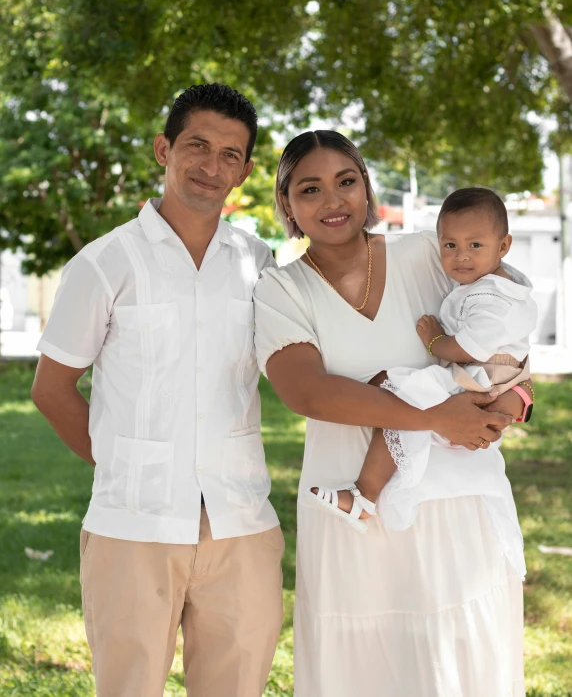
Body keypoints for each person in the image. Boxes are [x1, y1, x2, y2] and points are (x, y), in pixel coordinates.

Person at [253, 130, 533, 696]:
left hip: (454, 506)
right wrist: (436, 417)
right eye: (311, 188)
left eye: (347, 182)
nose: (333, 201)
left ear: (366, 188)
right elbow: (309, 393)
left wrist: (508, 402)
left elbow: (505, 332)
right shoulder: (281, 291)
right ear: (287, 203)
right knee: (363, 671)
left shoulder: (429, 254)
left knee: (453, 666)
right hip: (351, 511)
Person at [31, 83, 284, 697]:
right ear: (162, 149)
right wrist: (122, 462)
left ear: (245, 171)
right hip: (132, 527)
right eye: (197, 145)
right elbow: (52, 388)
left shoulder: (261, 263)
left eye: (230, 154)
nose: (211, 165)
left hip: (241, 521)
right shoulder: (104, 263)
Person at [309, 188, 536, 573]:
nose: (461, 255)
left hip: (485, 379)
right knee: (401, 400)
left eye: (475, 244)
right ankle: (376, 491)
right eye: (450, 244)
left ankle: (364, 496)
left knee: (399, 402)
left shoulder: (493, 297)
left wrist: (433, 338)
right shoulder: (493, 283)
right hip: (497, 381)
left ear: (504, 245)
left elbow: (469, 347)